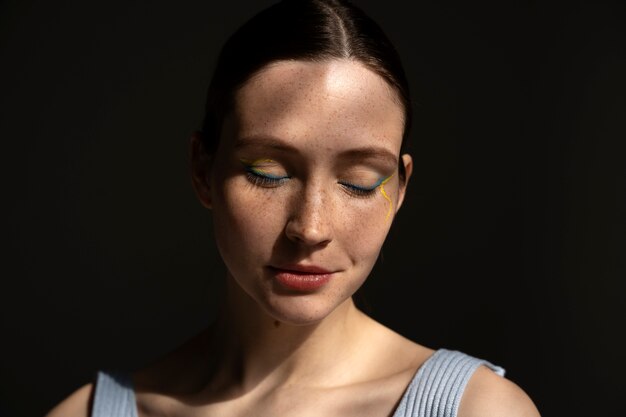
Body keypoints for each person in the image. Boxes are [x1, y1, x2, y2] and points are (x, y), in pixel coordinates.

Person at [47, 0, 540, 416]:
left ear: (402, 188)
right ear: (203, 170)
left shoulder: (478, 409)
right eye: (269, 172)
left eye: (360, 182)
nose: (311, 227)